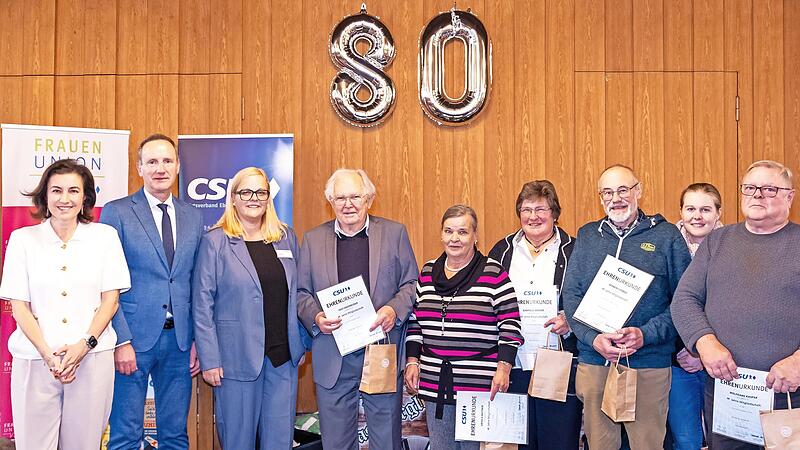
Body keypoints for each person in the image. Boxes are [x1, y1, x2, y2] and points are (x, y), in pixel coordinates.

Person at [0, 159, 131, 449]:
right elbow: (19, 305)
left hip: (91, 360)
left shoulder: (104, 237)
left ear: (85, 197)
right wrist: (48, 355)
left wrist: (83, 346)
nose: (65, 198)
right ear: (44, 195)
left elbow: (110, 300)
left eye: (73, 190)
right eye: (56, 190)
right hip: (35, 359)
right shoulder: (22, 240)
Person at [672, 160, 800, 450]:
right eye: (750, 188)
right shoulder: (717, 241)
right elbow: (684, 299)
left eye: (769, 188)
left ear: (789, 196)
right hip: (727, 394)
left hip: (788, 396)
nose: (757, 195)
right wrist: (705, 344)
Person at [562, 164, 691, 450]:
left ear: (639, 191)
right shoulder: (588, 235)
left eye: (623, 190)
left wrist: (646, 334)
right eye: (608, 192)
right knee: (600, 445)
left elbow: (684, 302)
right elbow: (570, 296)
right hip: (595, 362)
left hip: (647, 364)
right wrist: (592, 339)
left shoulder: (667, 236)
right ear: (599, 197)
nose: (616, 198)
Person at [296, 168, 418, 450]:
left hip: (380, 350)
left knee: (386, 440)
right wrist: (315, 316)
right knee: (336, 442)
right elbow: (301, 293)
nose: (348, 204)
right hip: (333, 353)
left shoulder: (394, 233)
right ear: (330, 201)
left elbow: (411, 283)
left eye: (355, 196)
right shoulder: (313, 240)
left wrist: (392, 310)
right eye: (340, 197)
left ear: (369, 199)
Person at [192, 167, 309, 449]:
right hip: (235, 360)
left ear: (269, 197)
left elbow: (300, 292)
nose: (254, 198)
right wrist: (210, 359)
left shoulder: (286, 237)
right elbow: (202, 304)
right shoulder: (215, 241)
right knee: (238, 440)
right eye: (246, 192)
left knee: (280, 440)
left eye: (261, 192)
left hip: (283, 358)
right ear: (233, 198)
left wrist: (302, 342)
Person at [101, 134, 204, 450]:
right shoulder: (116, 212)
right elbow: (107, 282)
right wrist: (122, 340)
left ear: (177, 167)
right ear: (139, 168)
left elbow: (195, 283)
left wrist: (198, 340)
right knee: (125, 435)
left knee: (175, 435)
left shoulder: (193, 215)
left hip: (179, 342)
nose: (160, 168)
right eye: (152, 161)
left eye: (167, 161)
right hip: (134, 339)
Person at [405, 204, 524, 450]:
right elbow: (415, 322)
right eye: (448, 231)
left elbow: (510, 324)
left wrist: (504, 367)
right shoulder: (427, 272)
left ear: (475, 236)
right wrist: (412, 361)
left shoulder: (493, 273)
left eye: (462, 232)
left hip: (480, 384)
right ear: (441, 235)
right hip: (434, 381)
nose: (454, 238)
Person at [488, 180, 582, 450]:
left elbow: (590, 297)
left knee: (559, 441)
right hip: (513, 364)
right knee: (520, 443)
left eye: (541, 209)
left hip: (558, 362)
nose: (533, 216)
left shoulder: (575, 250)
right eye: (526, 209)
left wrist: (571, 320)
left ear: (554, 213)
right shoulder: (502, 251)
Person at [667, 182, 722, 450]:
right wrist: (686, 349)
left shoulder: (733, 247)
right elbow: (662, 303)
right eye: (690, 209)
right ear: (681, 211)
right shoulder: (667, 246)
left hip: (724, 362)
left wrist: (703, 353)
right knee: (686, 440)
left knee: (724, 439)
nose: (697, 216)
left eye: (705, 209)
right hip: (678, 362)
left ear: (718, 214)